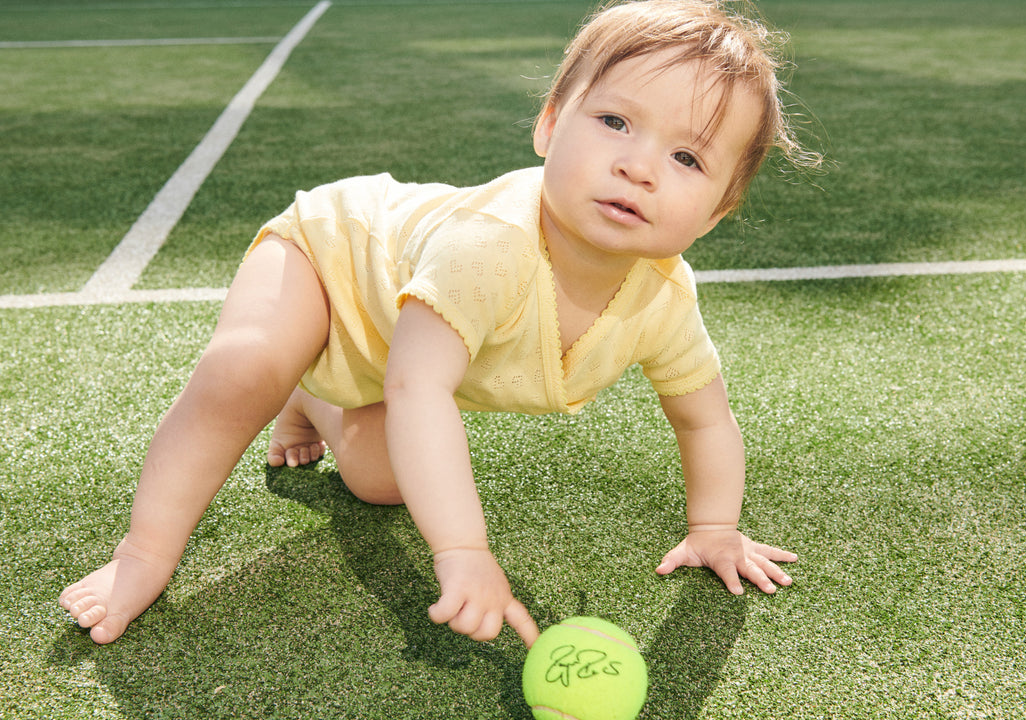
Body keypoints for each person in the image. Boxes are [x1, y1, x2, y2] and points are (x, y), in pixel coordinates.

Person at [60, 0, 818, 648]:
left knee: (383, 479)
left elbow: (703, 421)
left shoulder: (663, 299)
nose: (639, 165)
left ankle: (316, 396)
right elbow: (419, 389)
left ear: (717, 214)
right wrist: (462, 551)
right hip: (333, 258)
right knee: (248, 368)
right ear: (550, 125)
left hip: (395, 341)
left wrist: (715, 526)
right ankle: (145, 552)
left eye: (687, 157)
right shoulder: (491, 248)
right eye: (615, 120)